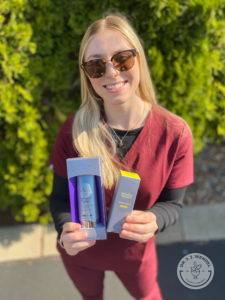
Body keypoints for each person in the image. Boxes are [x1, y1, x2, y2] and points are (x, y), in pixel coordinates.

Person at [50, 12, 194, 300]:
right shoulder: (73, 130)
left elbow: (173, 205)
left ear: (138, 59)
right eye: (96, 65)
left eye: (122, 59)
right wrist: (65, 226)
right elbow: (60, 197)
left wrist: (155, 219)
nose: (112, 72)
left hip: (135, 254)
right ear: (87, 75)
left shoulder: (174, 133)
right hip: (82, 254)